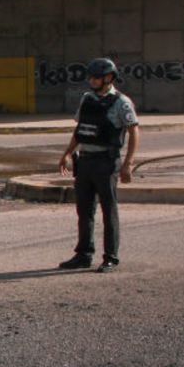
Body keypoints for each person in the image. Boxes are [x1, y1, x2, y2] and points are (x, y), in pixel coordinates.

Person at [56, 58, 140, 273]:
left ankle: (110, 257)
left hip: (106, 162)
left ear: (109, 78)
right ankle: (84, 254)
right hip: (84, 162)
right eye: (91, 77)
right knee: (84, 210)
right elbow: (80, 130)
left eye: (96, 77)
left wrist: (128, 164)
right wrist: (67, 153)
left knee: (108, 210)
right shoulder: (87, 99)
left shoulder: (122, 102)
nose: (92, 80)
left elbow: (133, 131)